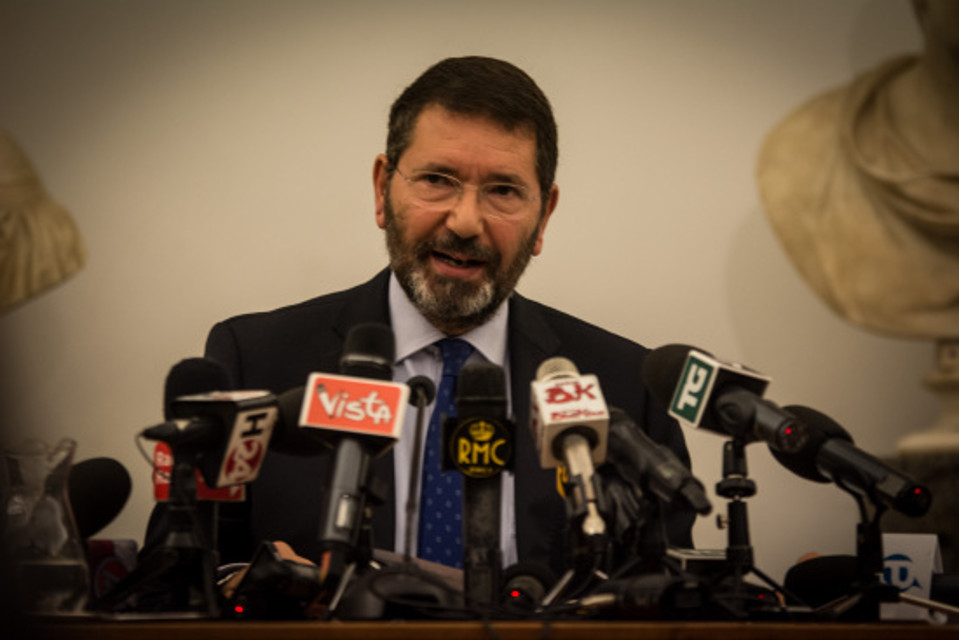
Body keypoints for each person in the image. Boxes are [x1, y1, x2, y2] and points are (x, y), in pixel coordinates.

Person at [150, 56, 694, 580]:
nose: (465, 221)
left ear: (543, 216)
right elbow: (175, 573)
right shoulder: (256, 360)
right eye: (437, 179)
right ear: (382, 189)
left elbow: (670, 594)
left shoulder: (626, 387)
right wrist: (245, 584)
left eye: (503, 191)